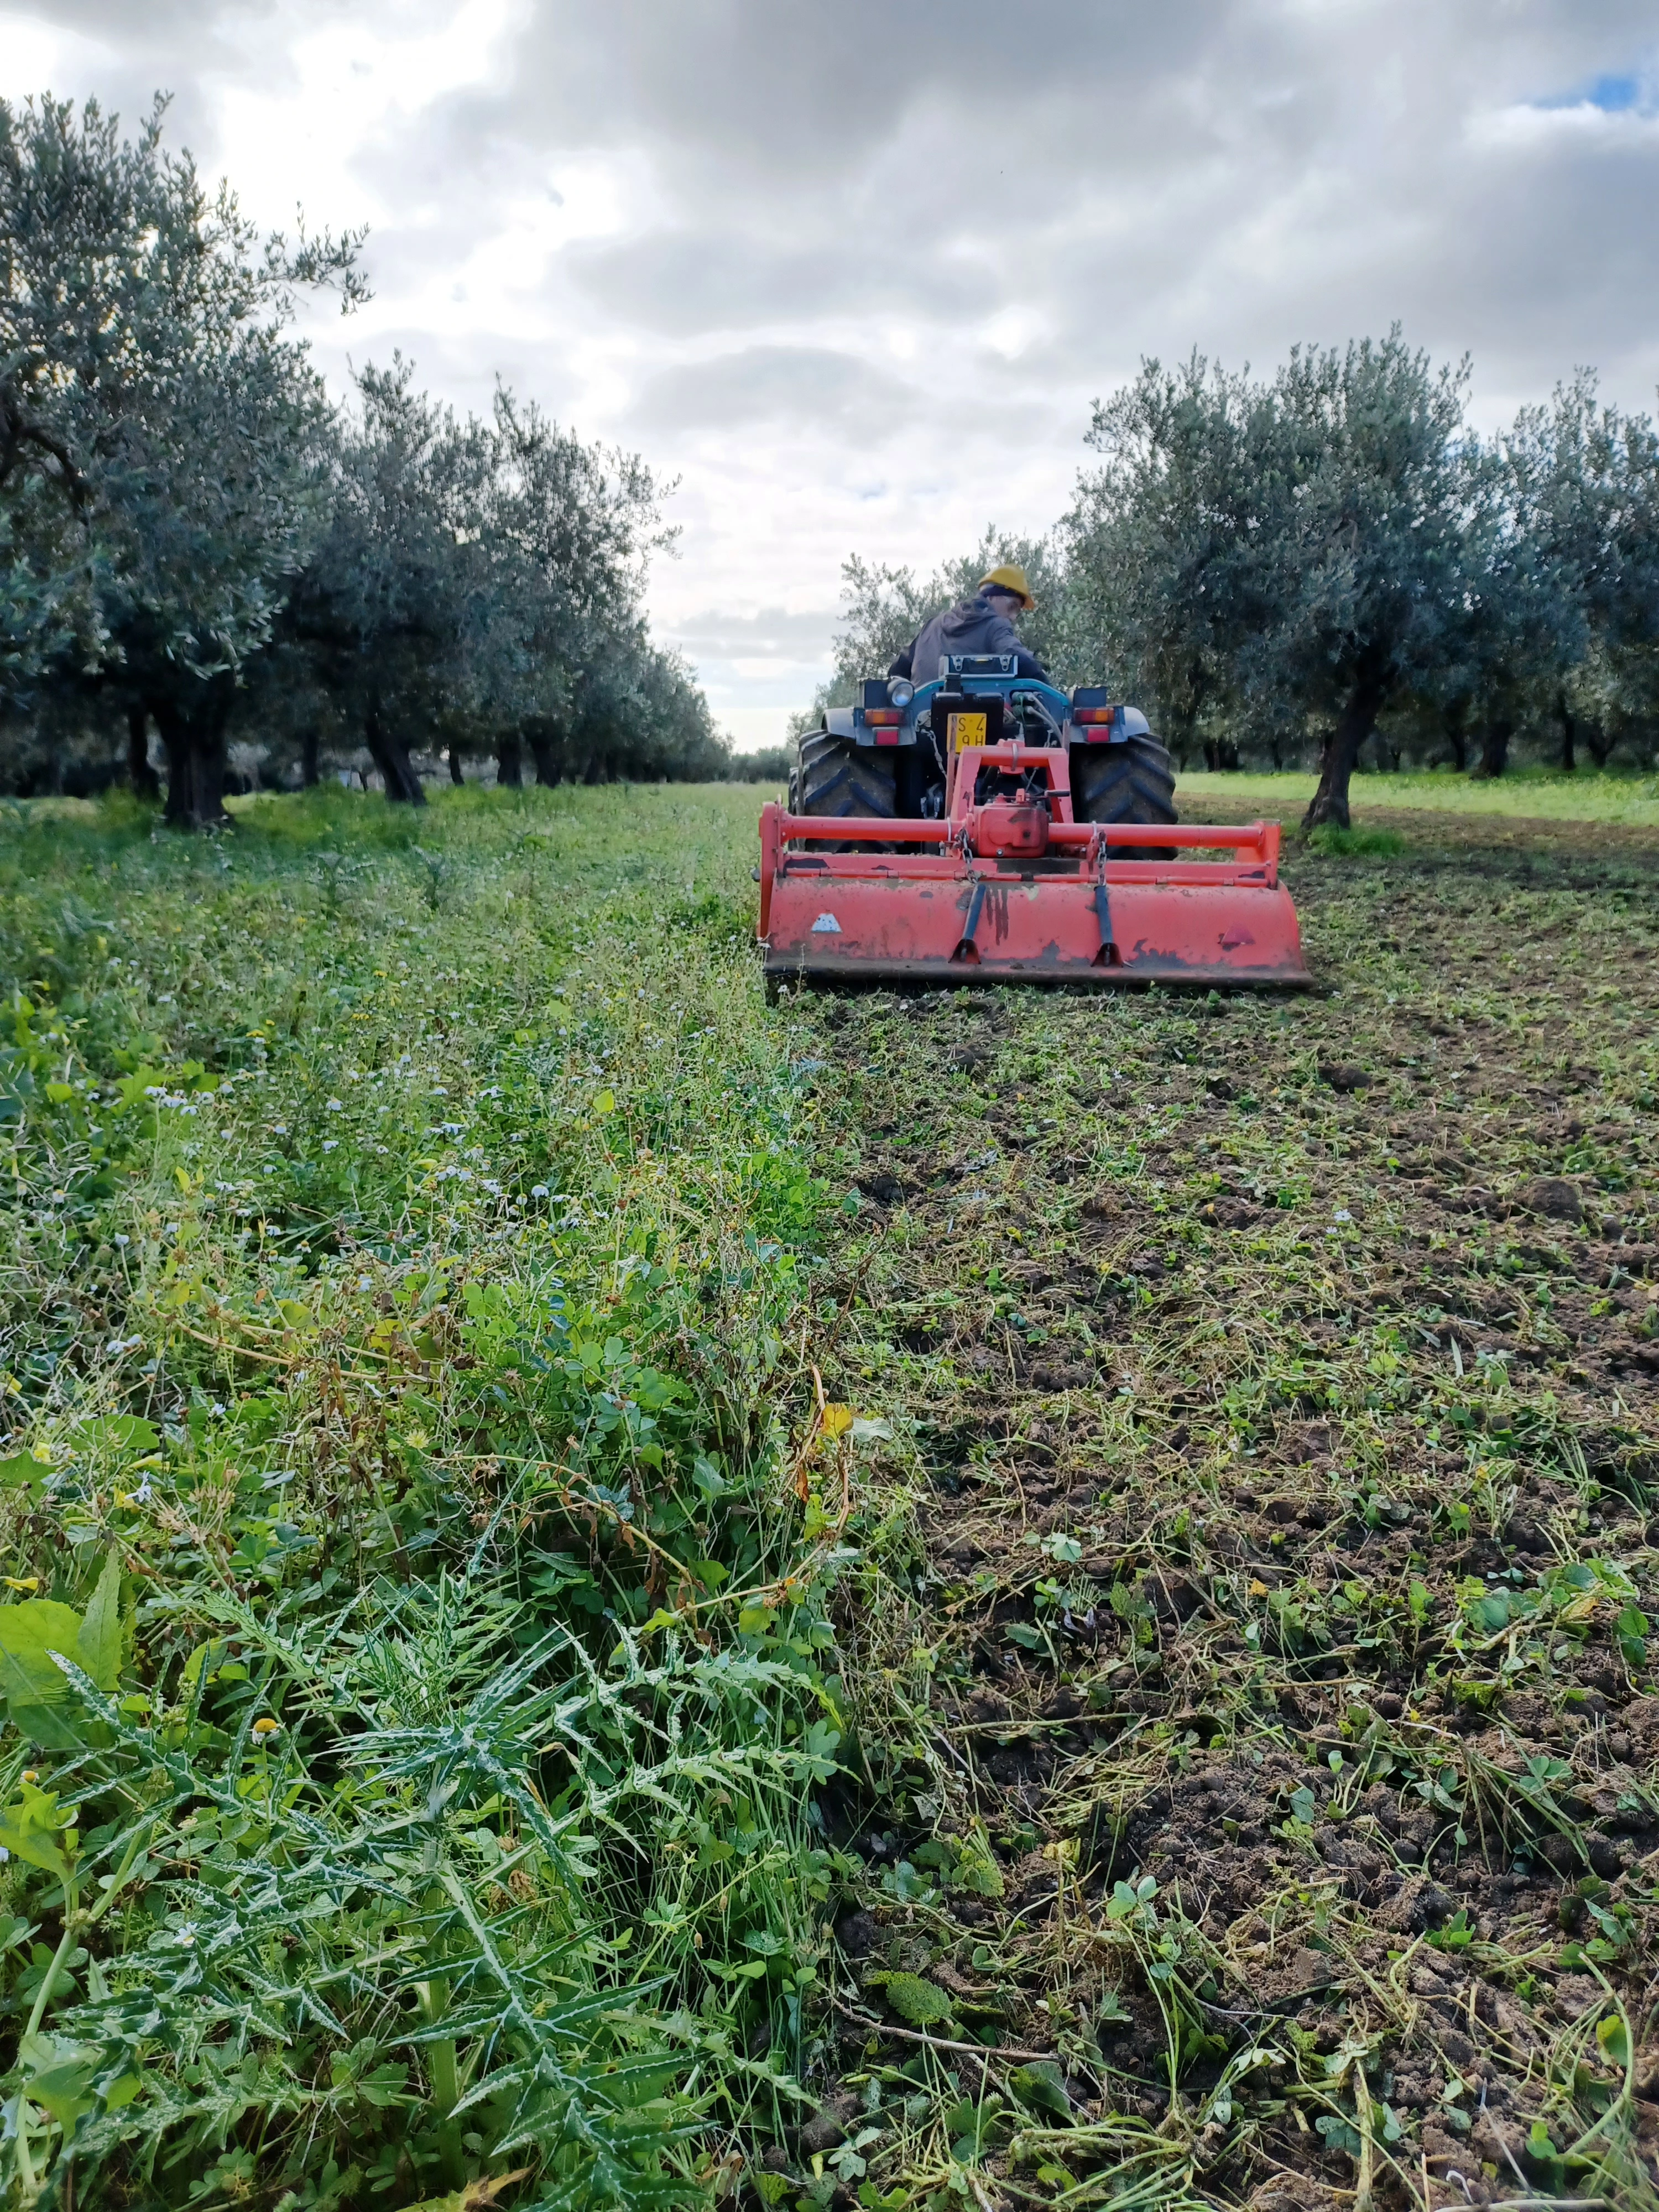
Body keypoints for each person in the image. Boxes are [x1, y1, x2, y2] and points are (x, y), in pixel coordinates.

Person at [888, 564, 1050, 686]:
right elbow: (1020, 659)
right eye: (1012, 607)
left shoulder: (933, 625)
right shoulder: (995, 625)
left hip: (923, 720)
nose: (1013, 617)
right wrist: (1049, 690)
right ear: (993, 597)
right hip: (978, 719)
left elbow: (898, 670)